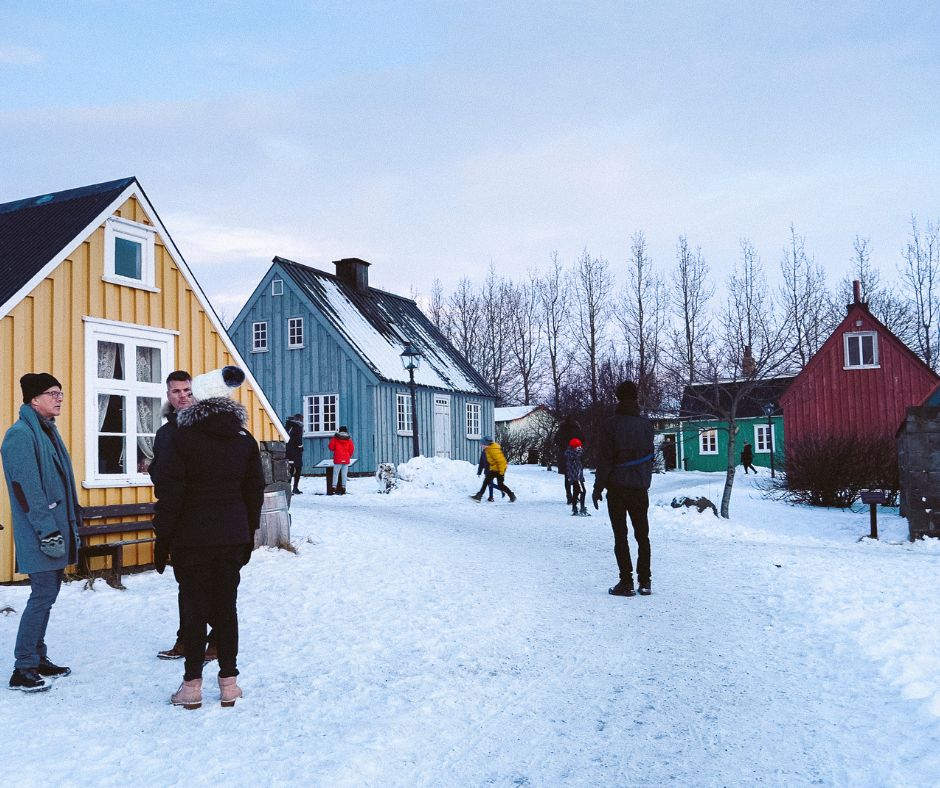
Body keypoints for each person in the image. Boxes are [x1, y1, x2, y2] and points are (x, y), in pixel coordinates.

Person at [153, 370, 264, 709]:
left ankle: (191, 687)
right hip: (231, 537)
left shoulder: (180, 439)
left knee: (193, 608)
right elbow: (254, 492)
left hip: (191, 539)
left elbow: (170, 493)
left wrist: (163, 539)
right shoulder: (244, 440)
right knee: (226, 608)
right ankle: (229, 684)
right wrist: (247, 535)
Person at [1, 373, 80, 691]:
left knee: (47, 596)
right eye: (52, 393)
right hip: (41, 532)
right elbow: (26, 490)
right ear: (33, 399)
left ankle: (37, 656)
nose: (59, 398)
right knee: (42, 595)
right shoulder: (20, 435)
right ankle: (23, 667)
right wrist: (48, 531)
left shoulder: (46, 431)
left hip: (55, 529)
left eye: (60, 392)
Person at [150, 370, 217, 663]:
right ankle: (187, 640)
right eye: (176, 392)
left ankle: (216, 639)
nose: (183, 397)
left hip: (208, 518)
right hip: (178, 520)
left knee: (213, 583)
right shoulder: (165, 433)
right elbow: (160, 471)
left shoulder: (209, 428)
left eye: (187, 391)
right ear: (168, 396)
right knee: (186, 584)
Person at [592, 381, 654, 597]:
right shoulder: (647, 426)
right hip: (639, 488)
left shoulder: (610, 425)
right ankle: (645, 581)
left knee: (621, 535)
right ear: (636, 397)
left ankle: (626, 582)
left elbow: (605, 459)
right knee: (642, 535)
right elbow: (649, 458)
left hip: (617, 488)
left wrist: (598, 487)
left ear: (617, 397)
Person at [471, 436, 516, 502]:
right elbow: (484, 461)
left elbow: (501, 462)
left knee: (500, 485)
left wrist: (501, 473)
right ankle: (479, 496)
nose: (481, 445)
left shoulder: (493, 450)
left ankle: (512, 495)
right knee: (486, 482)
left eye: (482, 444)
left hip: (500, 470)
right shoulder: (488, 449)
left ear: (486, 444)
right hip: (494, 469)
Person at [555, 416, 584, 505]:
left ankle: (569, 495)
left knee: (567, 476)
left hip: (564, 455)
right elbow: (583, 439)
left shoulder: (561, 430)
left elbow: (556, 440)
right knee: (577, 476)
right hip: (576, 455)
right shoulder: (577, 430)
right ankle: (577, 495)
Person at [564, 438, 590, 517]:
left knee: (576, 492)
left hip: (574, 477)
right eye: (578, 446)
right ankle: (581, 508)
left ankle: (575, 508)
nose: (580, 448)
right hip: (577, 477)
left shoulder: (570, 454)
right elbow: (577, 467)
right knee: (583, 491)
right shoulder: (575, 454)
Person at [328, 425, 355, 495]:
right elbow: (351, 449)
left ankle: (333, 488)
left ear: (339, 430)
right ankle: (343, 488)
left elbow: (330, 447)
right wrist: (348, 456)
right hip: (346, 459)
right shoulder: (349, 439)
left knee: (335, 474)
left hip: (338, 458)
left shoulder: (335, 438)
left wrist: (335, 449)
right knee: (344, 474)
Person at [285, 413, 304, 494]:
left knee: (290, 469)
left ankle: (288, 487)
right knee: (298, 469)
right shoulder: (298, 427)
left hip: (287, 450)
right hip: (296, 451)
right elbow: (298, 440)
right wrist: (301, 447)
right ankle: (295, 487)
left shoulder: (287, 426)